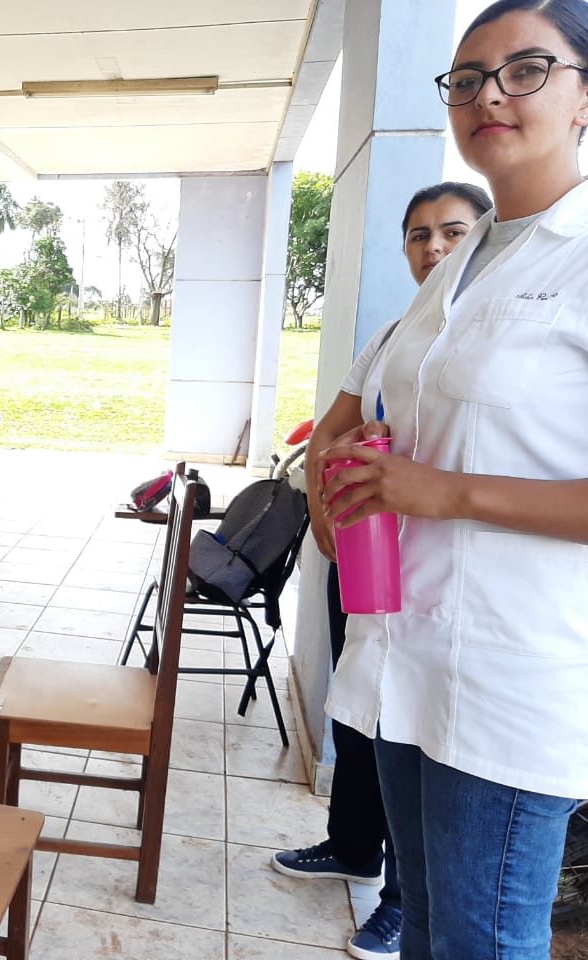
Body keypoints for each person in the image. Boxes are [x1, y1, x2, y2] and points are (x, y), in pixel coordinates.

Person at [321, 1, 588, 955]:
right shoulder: (460, 264)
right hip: (406, 656)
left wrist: (443, 493)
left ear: (584, 97)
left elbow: (446, 479)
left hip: (507, 674)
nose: (490, 96)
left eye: (526, 70)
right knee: (429, 930)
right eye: (468, 79)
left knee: (480, 940)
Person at [273, 181, 492, 960]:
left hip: (443, 579)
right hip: (366, 559)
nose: (434, 248)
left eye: (453, 231)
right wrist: (324, 514)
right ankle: (352, 844)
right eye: (419, 234)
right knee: (359, 711)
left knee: (416, 730)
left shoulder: (492, 335)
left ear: (486, 238)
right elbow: (329, 434)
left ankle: (400, 901)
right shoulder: (395, 334)